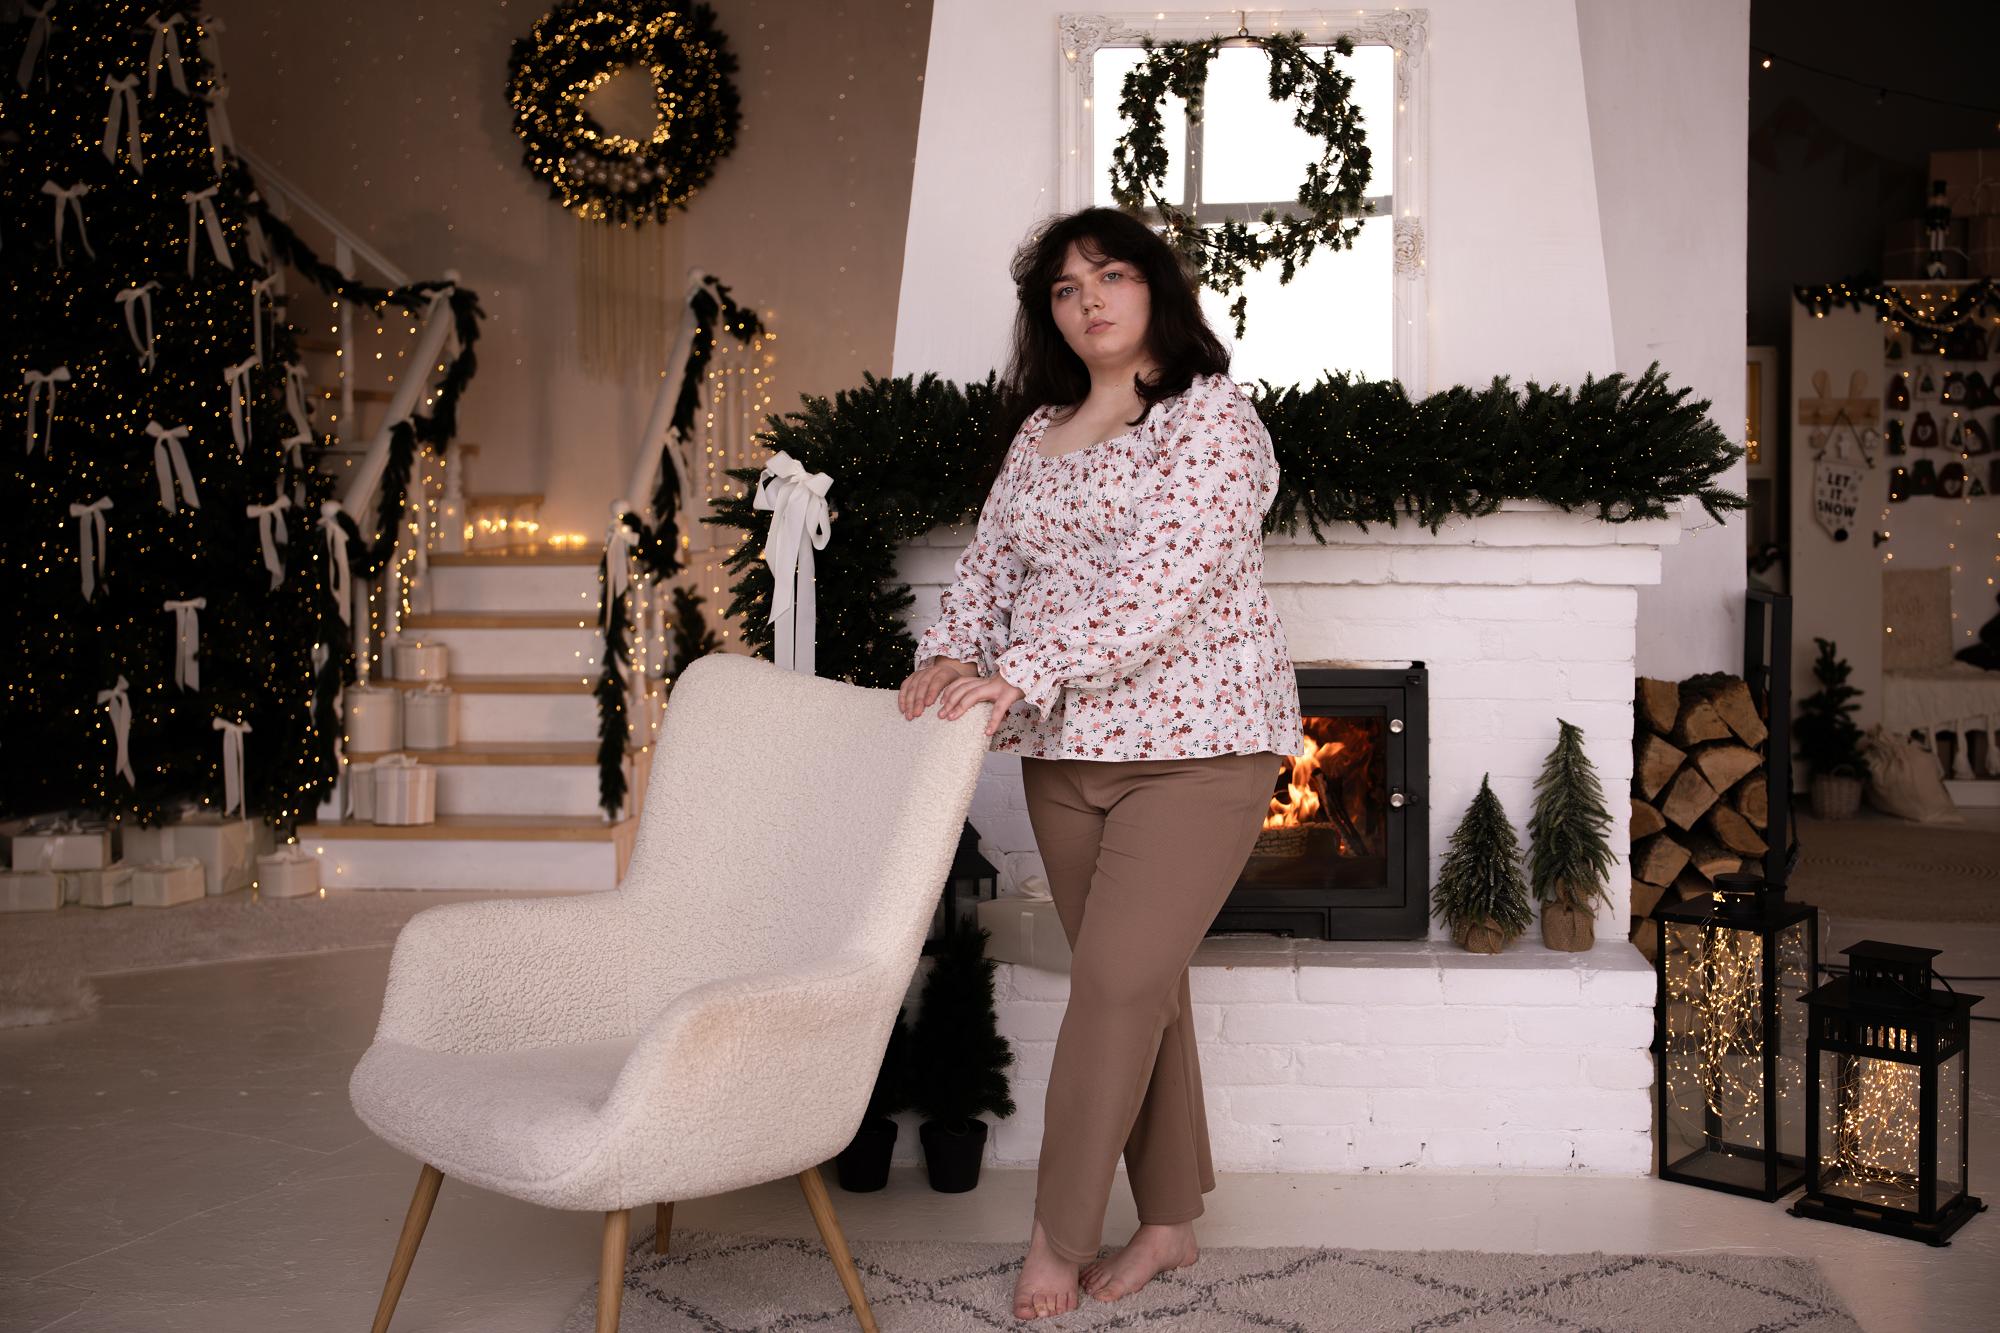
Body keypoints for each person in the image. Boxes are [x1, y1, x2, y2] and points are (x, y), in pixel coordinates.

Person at [897, 207, 1304, 1321]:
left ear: (1153, 287)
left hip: (1199, 748)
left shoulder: (1209, 418)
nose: (1088, 302)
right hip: (1064, 753)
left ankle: (1056, 1237)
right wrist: (949, 653)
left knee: (1113, 989)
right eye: (1065, 290)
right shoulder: (1040, 431)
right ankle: (1168, 1221)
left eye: (1109, 276)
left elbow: (1157, 585)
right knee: (1141, 990)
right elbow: (991, 564)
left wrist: (1019, 670)